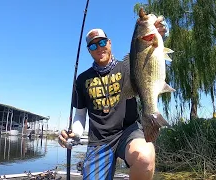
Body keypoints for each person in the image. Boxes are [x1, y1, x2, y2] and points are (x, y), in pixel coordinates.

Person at [58, 15, 169, 180]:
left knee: (145, 157)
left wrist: (161, 35)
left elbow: (147, 61)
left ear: (109, 43)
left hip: (129, 132)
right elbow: (80, 115)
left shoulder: (126, 67)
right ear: (89, 50)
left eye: (102, 42)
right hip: (99, 140)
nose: (99, 47)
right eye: (93, 45)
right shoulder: (81, 80)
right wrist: (74, 134)